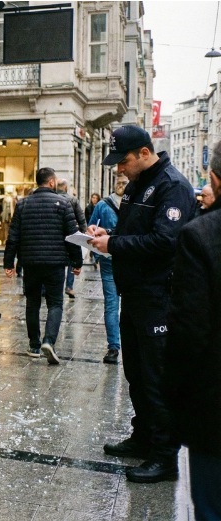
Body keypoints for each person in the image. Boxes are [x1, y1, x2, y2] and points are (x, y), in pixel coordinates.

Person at [89, 125, 196, 483]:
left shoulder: (172, 186)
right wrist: (110, 236)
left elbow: (165, 242)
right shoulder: (138, 183)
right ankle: (143, 436)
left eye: (123, 161)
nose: (119, 168)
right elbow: (136, 232)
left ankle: (165, 457)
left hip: (158, 297)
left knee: (155, 377)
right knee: (136, 374)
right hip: (134, 294)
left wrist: (114, 246)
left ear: (145, 154)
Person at [165, 142, 221, 520]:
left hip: (215, 404)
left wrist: (174, 399)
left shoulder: (200, 235)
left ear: (214, 178)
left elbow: (189, 330)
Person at [3, 168, 82, 364]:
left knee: (33, 303)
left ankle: (34, 345)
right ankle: (49, 341)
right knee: (55, 303)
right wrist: (77, 262)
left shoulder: (22, 205)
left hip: (30, 263)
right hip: (55, 264)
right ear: (52, 182)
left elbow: (13, 236)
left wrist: (8, 262)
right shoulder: (64, 204)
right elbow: (73, 237)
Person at [87, 177, 128, 364]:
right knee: (113, 304)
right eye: (120, 181)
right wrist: (92, 231)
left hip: (124, 260)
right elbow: (91, 228)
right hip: (115, 261)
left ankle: (120, 345)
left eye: (124, 181)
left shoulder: (135, 202)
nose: (122, 184)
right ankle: (114, 346)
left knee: (120, 305)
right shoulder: (106, 204)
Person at [56, 178, 87, 298]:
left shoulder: (52, 199)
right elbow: (81, 217)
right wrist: (83, 231)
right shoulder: (73, 200)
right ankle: (69, 286)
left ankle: (47, 288)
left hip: (56, 236)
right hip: (71, 234)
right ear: (66, 188)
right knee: (72, 260)